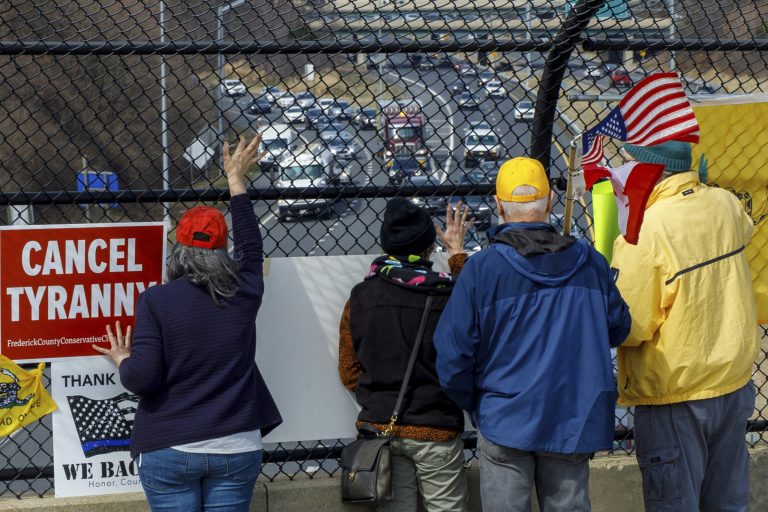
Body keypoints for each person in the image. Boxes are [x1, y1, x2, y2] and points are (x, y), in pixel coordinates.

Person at [94, 135, 282, 512]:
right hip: (237, 445)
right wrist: (236, 183)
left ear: (177, 250)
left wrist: (120, 358)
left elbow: (141, 379)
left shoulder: (157, 300)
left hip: (171, 444)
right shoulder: (244, 291)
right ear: (223, 250)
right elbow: (252, 247)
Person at [433, 157, 631, 512]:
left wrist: (477, 402)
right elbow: (619, 327)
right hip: (573, 414)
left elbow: (452, 355)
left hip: (504, 415)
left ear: (498, 205)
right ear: (551, 202)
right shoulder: (589, 263)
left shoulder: (482, 270)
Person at [612, 141, 758, 512]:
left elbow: (631, 326)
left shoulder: (644, 230)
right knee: (727, 502)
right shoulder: (724, 203)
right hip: (732, 380)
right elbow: (744, 229)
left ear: (650, 168)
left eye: (627, 161)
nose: (622, 167)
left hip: (676, 392)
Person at [338, 198, 472, 512]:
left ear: (385, 246)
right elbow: (477, 310)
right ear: (429, 247)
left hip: (380, 428)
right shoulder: (449, 294)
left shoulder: (361, 296)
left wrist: (377, 396)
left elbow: (348, 369)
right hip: (437, 423)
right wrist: (457, 254)